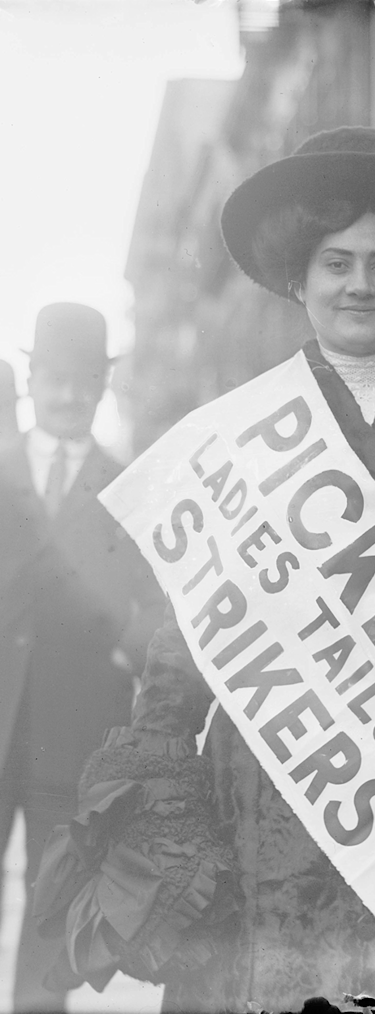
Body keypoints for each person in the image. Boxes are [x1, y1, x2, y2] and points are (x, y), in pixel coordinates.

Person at [34, 128, 375, 1014]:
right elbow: (187, 628)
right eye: (336, 262)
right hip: (272, 786)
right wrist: (158, 777)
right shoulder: (239, 433)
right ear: (299, 279)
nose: (359, 284)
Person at [0, 303, 164, 1012]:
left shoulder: (131, 489)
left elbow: (157, 611)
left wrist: (127, 635)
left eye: (84, 383)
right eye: (55, 379)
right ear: (32, 378)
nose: (68, 397)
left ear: (103, 386)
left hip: (74, 739)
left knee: (52, 904)